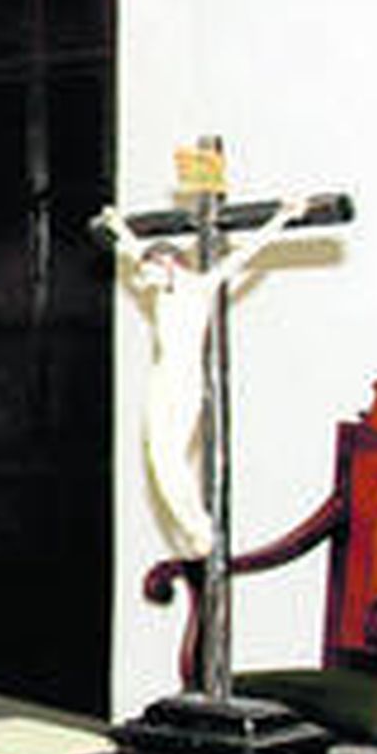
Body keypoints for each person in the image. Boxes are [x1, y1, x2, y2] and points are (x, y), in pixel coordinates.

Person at [95, 194, 305, 558]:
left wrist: (282, 217)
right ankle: (194, 527)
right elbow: (132, 251)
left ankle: (201, 530)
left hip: (184, 380)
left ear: (168, 264)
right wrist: (117, 226)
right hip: (162, 377)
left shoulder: (198, 287)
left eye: (149, 270)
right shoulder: (162, 284)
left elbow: (246, 254)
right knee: (158, 459)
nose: (142, 277)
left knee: (171, 457)